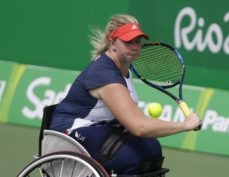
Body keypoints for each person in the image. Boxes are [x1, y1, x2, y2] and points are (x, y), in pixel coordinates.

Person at [49, 14, 202, 175]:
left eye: (138, 41)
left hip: (100, 126)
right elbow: (139, 127)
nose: (135, 46)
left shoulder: (123, 68)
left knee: (152, 149)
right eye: (128, 41)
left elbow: (138, 121)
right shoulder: (104, 74)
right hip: (68, 136)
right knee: (131, 158)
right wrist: (184, 125)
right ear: (112, 42)